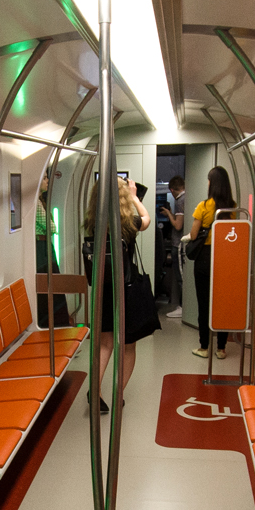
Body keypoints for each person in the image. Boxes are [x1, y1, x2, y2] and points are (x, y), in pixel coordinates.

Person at [84, 175, 153, 411]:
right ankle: (118, 393)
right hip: (126, 288)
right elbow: (147, 219)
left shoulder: (94, 221)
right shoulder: (128, 223)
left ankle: (95, 389)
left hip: (103, 287)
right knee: (128, 345)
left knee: (105, 343)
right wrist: (134, 197)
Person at [184, 165, 236, 359]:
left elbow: (194, 234)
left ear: (212, 183)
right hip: (224, 258)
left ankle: (204, 347)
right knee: (222, 303)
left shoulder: (204, 206)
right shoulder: (232, 207)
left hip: (205, 259)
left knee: (204, 304)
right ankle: (221, 348)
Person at [33, 168, 70, 328]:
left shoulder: (39, 202)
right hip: (41, 247)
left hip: (43, 245)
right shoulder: (36, 203)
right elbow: (52, 227)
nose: (47, 181)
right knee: (50, 283)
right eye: (45, 178)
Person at [158, 174, 186, 318]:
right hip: (180, 243)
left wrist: (169, 213)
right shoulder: (186, 198)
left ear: (172, 190)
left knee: (181, 277)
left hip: (178, 244)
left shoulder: (180, 201)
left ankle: (183, 307)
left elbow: (178, 225)